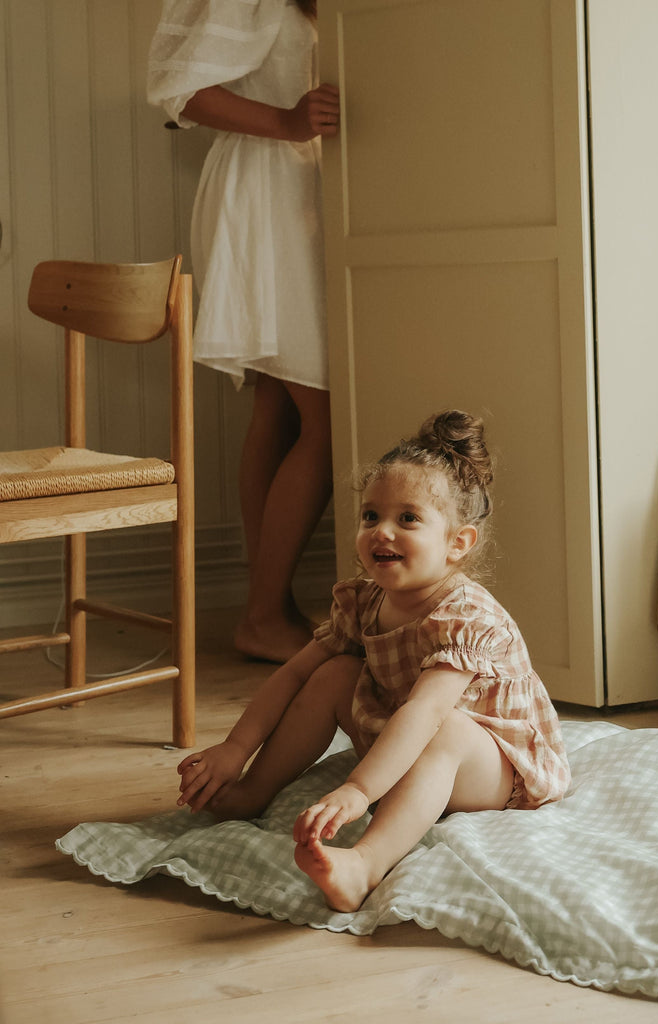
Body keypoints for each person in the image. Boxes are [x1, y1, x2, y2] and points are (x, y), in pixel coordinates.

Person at [173, 410, 572, 912]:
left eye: (407, 518)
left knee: (444, 726)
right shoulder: (362, 600)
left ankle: (364, 864)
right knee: (332, 672)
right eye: (371, 516)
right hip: (402, 736)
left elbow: (424, 715)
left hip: (492, 764)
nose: (382, 531)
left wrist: (358, 791)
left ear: (457, 544)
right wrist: (236, 748)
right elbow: (296, 673)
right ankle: (254, 791)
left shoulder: (468, 619)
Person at [148, 0, 340, 663]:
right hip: (266, 192)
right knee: (325, 416)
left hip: (292, 186)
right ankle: (263, 613)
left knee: (280, 408)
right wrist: (288, 121)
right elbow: (182, 89)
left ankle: (270, 607)